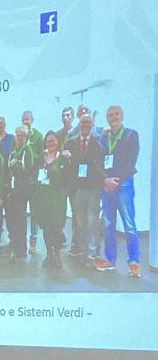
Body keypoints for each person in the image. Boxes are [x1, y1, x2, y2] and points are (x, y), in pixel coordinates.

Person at [97, 104, 141, 276]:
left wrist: (117, 181)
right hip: (106, 186)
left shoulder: (131, 135)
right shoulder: (103, 138)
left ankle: (134, 262)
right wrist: (105, 180)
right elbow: (97, 162)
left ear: (122, 116)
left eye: (116, 114)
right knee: (108, 225)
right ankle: (110, 259)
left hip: (124, 186)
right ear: (107, 118)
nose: (113, 117)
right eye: (110, 115)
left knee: (129, 225)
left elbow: (131, 162)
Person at [64, 109, 105, 266]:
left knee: (92, 221)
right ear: (79, 125)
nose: (85, 125)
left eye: (88, 123)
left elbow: (100, 164)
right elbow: (67, 168)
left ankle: (93, 253)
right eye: (83, 123)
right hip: (78, 190)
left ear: (92, 124)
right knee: (80, 223)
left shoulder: (98, 141)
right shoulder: (71, 142)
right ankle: (84, 251)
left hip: (94, 188)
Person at [33, 131, 70, 270]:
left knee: (56, 228)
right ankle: (49, 254)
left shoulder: (63, 158)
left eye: (53, 141)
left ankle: (57, 255)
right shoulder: (40, 158)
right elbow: (34, 174)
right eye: (48, 141)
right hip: (43, 198)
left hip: (57, 198)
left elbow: (68, 178)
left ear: (58, 142)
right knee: (46, 228)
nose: (51, 144)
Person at [5, 125, 39, 259]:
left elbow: (27, 170)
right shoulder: (14, 151)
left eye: (22, 136)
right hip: (13, 190)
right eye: (18, 135)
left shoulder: (27, 150)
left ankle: (22, 250)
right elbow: (9, 170)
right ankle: (16, 246)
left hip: (23, 191)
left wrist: (15, 165)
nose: (19, 138)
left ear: (26, 137)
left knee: (21, 220)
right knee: (15, 220)